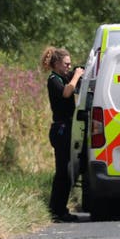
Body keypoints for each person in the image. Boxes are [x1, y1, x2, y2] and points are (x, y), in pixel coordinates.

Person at [40, 46, 84, 222]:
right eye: (66, 64)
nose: (68, 67)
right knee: (62, 172)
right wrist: (76, 75)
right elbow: (67, 92)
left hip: (67, 128)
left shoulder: (62, 77)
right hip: (61, 130)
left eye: (70, 64)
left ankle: (59, 208)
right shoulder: (53, 79)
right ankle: (57, 210)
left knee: (66, 172)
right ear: (56, 63)